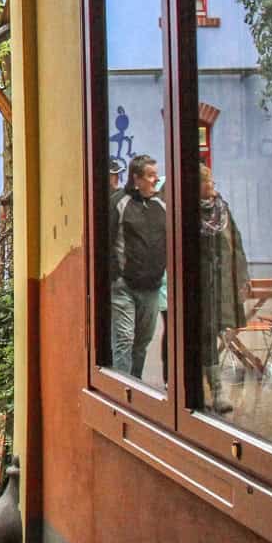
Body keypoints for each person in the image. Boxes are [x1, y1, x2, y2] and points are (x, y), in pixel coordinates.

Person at [196, 162, 249, 415]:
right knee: (205, 335)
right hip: (199, 288)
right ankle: (216, 391)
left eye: (213, 182)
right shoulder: (188, 212)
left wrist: (242, 277)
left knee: (216, 331)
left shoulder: (222, 211)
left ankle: (213, 390)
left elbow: (236, 245)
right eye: (208, 182)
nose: (213, 187)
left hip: (222, 284)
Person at [107, 153, 166, 381]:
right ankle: (122, 392)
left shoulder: (159, 205)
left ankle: (136, 385)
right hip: (124, 287)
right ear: (136, 178)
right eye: (150, 175)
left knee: (142, 342)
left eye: (155, 175)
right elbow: (107, 241)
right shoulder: (119, 203)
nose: (155, 180)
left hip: (151, 286)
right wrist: (116, 276)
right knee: (124, 340)